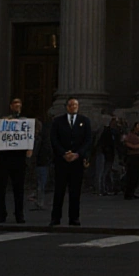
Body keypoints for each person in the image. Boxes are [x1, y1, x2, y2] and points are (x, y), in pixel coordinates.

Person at [49, 97, 91, 226]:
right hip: (62, 160)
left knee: (75, 191)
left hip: (77, 160)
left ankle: (74, 217)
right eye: (71, 105)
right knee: (59, 190)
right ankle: (56, 217)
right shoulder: (58, 121)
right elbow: (54, 139)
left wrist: (78, 154)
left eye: (76, 105)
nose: (74, 107)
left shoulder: (84, 121)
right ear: (67, 106)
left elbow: (88, 140)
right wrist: (63, 153)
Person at [0, 98, 32, 223]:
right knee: (1, 188)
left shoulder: (25, 122)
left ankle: (19, 214)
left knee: (19, 189)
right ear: (11, 106)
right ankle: (1, 214)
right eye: (15, 103)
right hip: (4, 159)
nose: (17, 106)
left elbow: (30, 137)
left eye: (19, 104)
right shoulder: (2, 121)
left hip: (19, 159)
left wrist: (30, 148)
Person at [123, 123, 139, 200]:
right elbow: (128, 144)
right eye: (138, 127)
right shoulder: (130, 135)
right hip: (132, 157)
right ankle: (128, 193)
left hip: (138, 156)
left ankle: (132, 192)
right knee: (131, 175)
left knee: (136, 175)